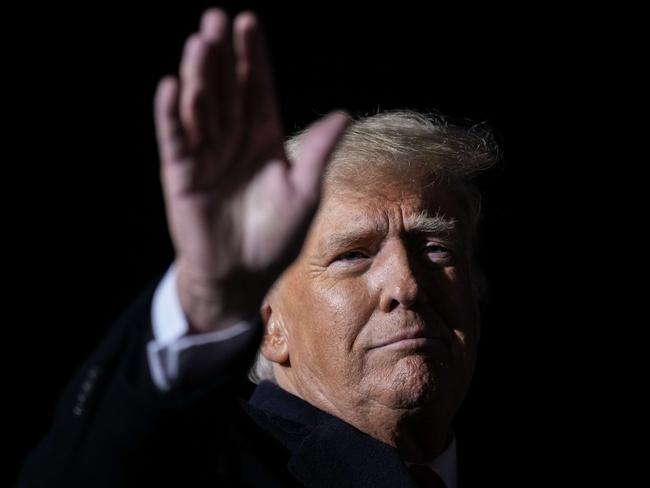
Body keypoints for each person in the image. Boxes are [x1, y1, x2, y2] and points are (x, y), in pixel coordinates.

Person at [17, 7, 500, 488]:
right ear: (271, 327)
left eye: (436, 248)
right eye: (352, 255)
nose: (406, 284)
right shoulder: (211, 463)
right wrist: (209, 301)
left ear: (477, 293)